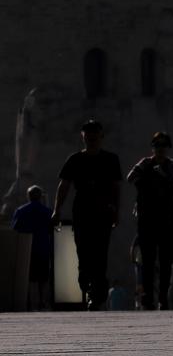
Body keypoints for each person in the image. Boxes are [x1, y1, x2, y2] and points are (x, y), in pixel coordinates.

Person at [51, 119, 121, 311]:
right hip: (82, 211)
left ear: (101, 136)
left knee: (100, 254)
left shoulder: (110, 159)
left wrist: (116, 211)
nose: (92, 138)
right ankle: (86, 283)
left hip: (103, 213)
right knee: (83, 252)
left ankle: (96, 294)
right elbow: (63, 186)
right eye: (88, 135)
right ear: (83, 137)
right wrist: (57, 210)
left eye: (95, 135)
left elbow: (116, 188)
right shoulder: (75, 160)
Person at [127, 132, 173, 310]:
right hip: (147, 219)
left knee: (166, 261)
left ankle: (163, 297)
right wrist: (146, 181)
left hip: (166, 219)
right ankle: (148, 297)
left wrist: (165, 177)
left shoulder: (172, 166)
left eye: (164, 146)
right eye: (158, 145)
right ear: (153, 147)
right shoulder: (145, 164)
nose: (160, 149)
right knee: (148, 261)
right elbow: (131, 177)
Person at [11, 185, 54, 310]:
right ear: (40, 197)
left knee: (29, 278)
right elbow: (53, 227)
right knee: (43, 278)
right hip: (44, 248)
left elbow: (15, 228)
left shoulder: (21, 211)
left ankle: (31, 303)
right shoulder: (47, 211)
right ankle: (43, 302)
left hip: (27, 250)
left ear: (28, 196)